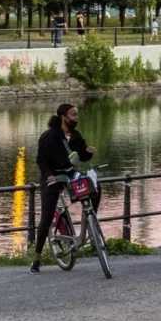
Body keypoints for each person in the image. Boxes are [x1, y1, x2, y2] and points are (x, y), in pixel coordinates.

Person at [31, 102, 95, 272]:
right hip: (52, 177)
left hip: (69, 174)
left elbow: (81, 156)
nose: (76, 118)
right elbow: (41, 161)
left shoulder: (75, 135)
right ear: (63, 117)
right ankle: (36, 260)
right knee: (47, 217)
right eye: (73, 115)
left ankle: (90, 225)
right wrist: (49, 176)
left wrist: (89, 152)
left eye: (77, 115)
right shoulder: (48, 137)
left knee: (93, 189)